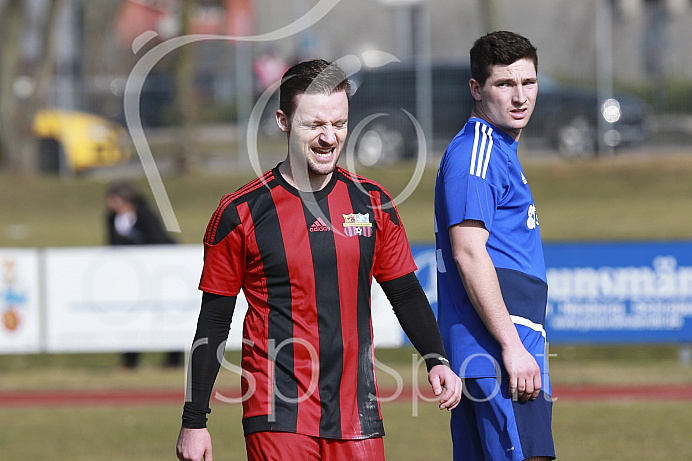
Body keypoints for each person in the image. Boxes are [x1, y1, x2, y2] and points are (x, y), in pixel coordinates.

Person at [176, 59, 462, 461]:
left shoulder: (373, 204)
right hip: (278, 413)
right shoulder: (240, 213)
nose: (329, 137)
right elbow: (215, 320)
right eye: (315, 125)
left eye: (339, 124)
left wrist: (437, 359)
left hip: (357, 413)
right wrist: (195, 420)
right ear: (283, 121)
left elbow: (406, 293)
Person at [434, 31, 556, 461]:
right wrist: (512, 346)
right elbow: (469, 252)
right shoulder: (477, 152)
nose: (519, 96)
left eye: (528, 82)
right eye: (504, 84)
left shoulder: (500, 149)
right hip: (498, 347)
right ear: (476, 89)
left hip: (503, 344)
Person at [105, 181, 183, 369]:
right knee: (130, 316)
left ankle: (173, 360)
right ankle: (130, 361)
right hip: (131, 276)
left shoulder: (145, 215)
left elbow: (157, 240)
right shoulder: (111, 218)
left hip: (159, 272)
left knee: (166, 314)